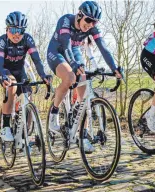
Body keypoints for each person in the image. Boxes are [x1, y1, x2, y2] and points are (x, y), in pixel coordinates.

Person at [46, 1, 122, 152]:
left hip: (74, 51)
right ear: (79, 15)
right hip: (57, 51)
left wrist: (114, 68)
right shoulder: (65, 20)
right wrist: (73, 65)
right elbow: (66, 46)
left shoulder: (92, 28)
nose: (90, 24)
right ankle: (54, 112)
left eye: (94, 22)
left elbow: (104, 48)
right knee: (69, 77)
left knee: (85, 90)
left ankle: (83, 135)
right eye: (88, 20)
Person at [0, 11, 51, 142]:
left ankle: (24, 130)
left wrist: (43, 75)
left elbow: (36, 60)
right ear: (7, 29)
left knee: (28, 96)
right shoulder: (2, 41)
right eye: (13, 29)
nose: (16, 34)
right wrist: (3, 76)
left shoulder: (27, 39)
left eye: (20, 31)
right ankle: (6, 127)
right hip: (4, 70)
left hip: (20, 71)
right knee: (12, 87)